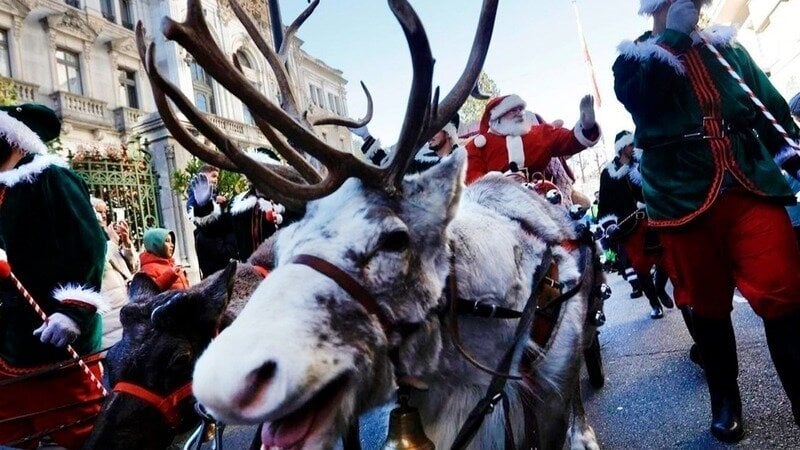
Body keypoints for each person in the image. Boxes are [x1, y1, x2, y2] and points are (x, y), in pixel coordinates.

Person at [614, 0, 800, 442]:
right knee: (708, 304)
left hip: (750, 185)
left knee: (786, 292)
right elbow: (641, 101)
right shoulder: (632, 58)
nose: (693, 7)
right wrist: (673, 39)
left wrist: (791, 153)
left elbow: (767, 106)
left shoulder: (729, 52)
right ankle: (725, 401)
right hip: (682, 200)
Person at [0, 103, 107, 448]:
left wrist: (72, 310)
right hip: (7, 347)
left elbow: (88, 246)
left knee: (82, 434)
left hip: (54, 341)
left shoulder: (52, 178)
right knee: (13, 436)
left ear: (14, 139)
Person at [598, 130, 674, 319]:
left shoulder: (642, 163)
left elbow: (658, 184)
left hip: (652, 218)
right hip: (629, 227)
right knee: (640, 267)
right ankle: (654, 303)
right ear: (621, 148)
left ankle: (660, 288)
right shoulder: (608, 173)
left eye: (634, 144)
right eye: (630, 145)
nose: (633, 148)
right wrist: (609, 225)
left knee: (665, 258)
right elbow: (605, 203)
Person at [464, 94, 601, 185]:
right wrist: (499, 182)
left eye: (520, 109)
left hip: (542, 200)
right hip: (499, 207)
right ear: (497, 118)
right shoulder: (479, 145)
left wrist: (586, 127)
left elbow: (568, 140)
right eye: (513, 110)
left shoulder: (539, 133)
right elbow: (473, 179)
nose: (519, 113)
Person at [91, 197, 138, 348]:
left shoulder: (109, 237)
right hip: (110, 319)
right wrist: (112, 242)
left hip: (125, 312)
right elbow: (97, 267)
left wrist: (126, 242)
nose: (104, 216)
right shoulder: (89, 238)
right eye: (99, 212)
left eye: (106, 212)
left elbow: (133, 267)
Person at [353, 113, 462, 174]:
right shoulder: (426, 166)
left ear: (449, 133)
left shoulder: (463, 163)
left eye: (435, 129)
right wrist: (365, 136)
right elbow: (393, 166)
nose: (429, 135)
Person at [187, 165, 238, 279]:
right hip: (213, 248)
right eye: (213, 176)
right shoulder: (196, 194)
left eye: (217, 177)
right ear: (202, 176)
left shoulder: (215, 192)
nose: (216, 180)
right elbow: (198, 217)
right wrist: (210, 203)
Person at [138, 227, 189, 292]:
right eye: (167, 241)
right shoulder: (148, 269)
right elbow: (150, 293)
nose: (172, 245)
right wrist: (169, 276)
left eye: (172, 241)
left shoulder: (171, 264)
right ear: (156, 244)